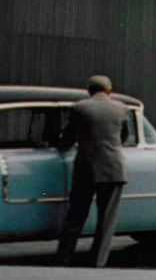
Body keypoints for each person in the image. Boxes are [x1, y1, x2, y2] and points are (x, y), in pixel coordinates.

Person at [55, 74, 135, 267]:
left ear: (89, 90)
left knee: (75, 215)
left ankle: (64, 258)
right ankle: (97, 262)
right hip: (114, 169)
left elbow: (67, 138)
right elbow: (124, 138)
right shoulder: (122, 108)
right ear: (109, 91)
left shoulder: (79, 108)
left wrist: (60, 146)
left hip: (86, 169)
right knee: (106, 220)